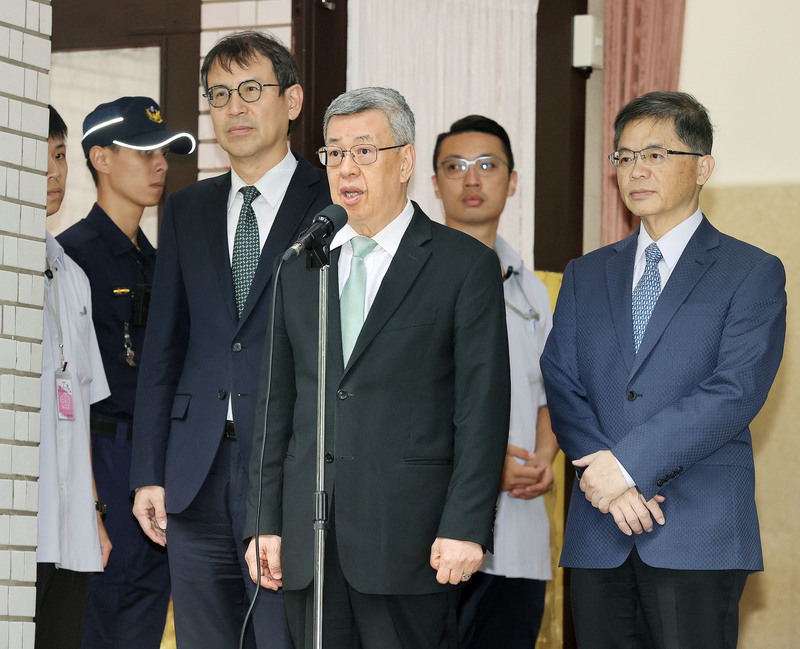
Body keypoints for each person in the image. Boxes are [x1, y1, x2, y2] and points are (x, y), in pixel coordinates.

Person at [244, 87, 511, 649]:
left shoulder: (462, 266)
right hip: (309, 539)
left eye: (364, 151)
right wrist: (266, 521)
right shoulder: (301, 265)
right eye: (334, 153)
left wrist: (465, 526)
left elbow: (481, 410)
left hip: (410, 540)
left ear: (406, 160)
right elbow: (277, 406)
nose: (346, 168)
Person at [540, 91, 787, 649]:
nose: (636, 171)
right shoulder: (586, 273)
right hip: (600, 525)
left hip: (696, 527)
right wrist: (610, 488)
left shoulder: (751, 272)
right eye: (624, 157)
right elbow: (562, 381)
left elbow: (734, 392)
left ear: (703, 166)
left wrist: (626, 467)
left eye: (655, 154)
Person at [129, 30, 330, 649]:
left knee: (281, 637)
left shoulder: (333, 202)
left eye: (250, 90)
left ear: (292, 101)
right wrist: (147, 473)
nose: (234, 108)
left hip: (291, 471)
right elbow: (163, 348)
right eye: (219, 95)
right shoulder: (187, 209)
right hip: (194, 473)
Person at [58, 95, 195, 649]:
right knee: (99, 619)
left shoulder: (159, 262)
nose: (160, 163)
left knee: (144, 617)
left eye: (164, 151)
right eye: (143, 151)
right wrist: (90, 501)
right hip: (101, 462)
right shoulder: (71, 259)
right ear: (100, 158)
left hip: (158, 466)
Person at [432, 115, 558, 648]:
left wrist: (545, 457)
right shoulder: (416, 281)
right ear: (434, 183)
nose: (472, 179)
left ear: (512, 180)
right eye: (455, 167)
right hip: (441, 532)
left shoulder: (533, 290)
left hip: (521, 533)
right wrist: (487, 459)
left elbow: (552, 392)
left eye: (488, 165)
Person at [36, 105, 111, 649]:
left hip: (70, 526)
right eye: (37, 158)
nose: (54, 173)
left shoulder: (72, 274)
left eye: (59, 155)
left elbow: (81, 407)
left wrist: (93, 513)